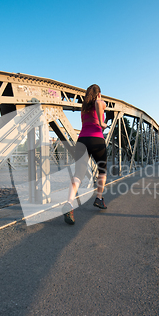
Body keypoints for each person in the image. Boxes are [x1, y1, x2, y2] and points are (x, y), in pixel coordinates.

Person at [62, 84, 108, 225]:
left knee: (78, 174)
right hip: (96, 140)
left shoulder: (84, 108)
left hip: (82, 141)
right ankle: (99, 198)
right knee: (102, 171)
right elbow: (100, 105)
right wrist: (103, 123)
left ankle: (69, 203)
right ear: (98, 93)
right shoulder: (99, 102)